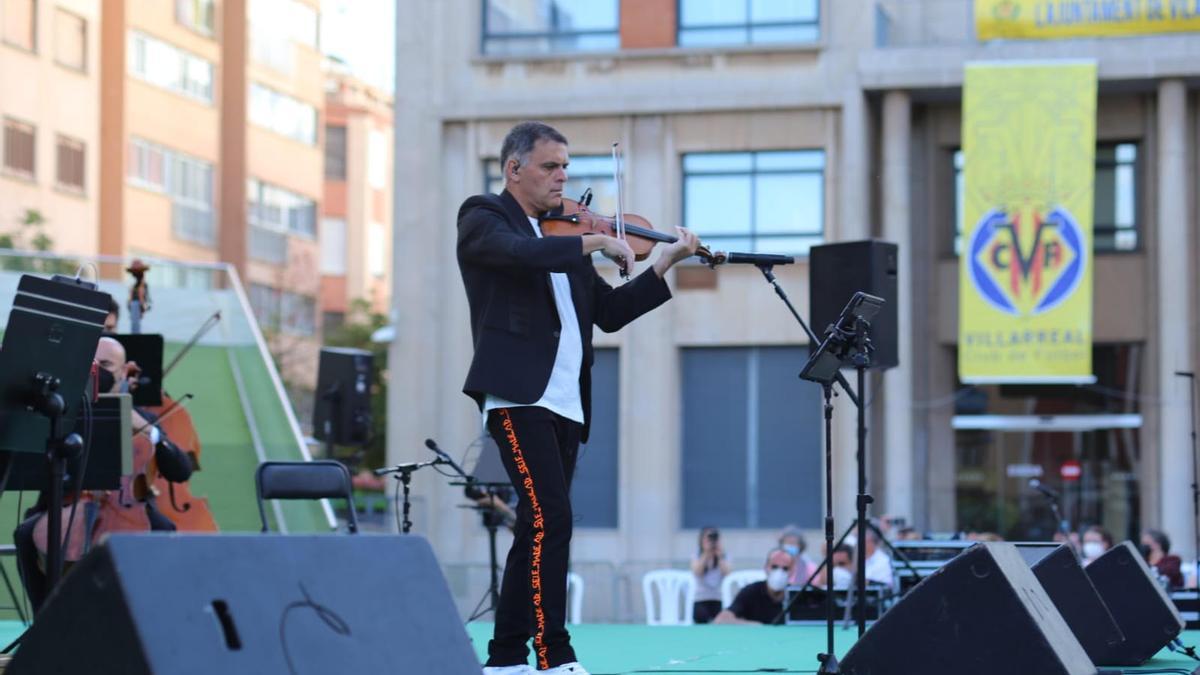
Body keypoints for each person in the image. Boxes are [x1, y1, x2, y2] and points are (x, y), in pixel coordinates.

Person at [458, 121, 700, 675]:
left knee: (536, 526)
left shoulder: (564, 242)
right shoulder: (483, 216)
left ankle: (503, 659)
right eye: (550, 166)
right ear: (514, 169)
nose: (562, 177)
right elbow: (516, 254)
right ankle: (553, 657)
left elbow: (609, 315)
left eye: (566, 166)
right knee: (552, 518)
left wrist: (663, 263)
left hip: (568, 403)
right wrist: (593, 240)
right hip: (518, 397)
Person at [13, 337, 194, 612]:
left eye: (106, 365)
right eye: (91, 364)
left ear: (124, 371)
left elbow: (180, 470)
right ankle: (45, 622)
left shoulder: (142, 416)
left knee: (164, 532)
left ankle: (147, 618)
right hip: (65, 506)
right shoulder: (59, 412)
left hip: (128, 509)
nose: (97, 371)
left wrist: (149, 431)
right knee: (26, 533)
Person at [714, 549, 794, 625]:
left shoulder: (797, 596)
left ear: (792, 571)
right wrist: (753, 625)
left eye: (785, 568)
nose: (779, 572)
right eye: (774, 567)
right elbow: (721, 619)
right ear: (766, 567)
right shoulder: (750, 592)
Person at [691, 526, 730, 624]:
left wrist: (720, 556)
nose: (712, 541)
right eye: (709, 538)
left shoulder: (723, 555)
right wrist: (706, 553)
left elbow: (727, 573)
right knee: (701, 616)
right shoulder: (697, 555)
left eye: (714, 538)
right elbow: (697, 572)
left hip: (718, 598)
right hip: (700, 599)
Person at [126, 258, 151, 333]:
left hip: (136, 305)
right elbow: (139, 296)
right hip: (136, 305)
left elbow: (141, 296)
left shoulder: (140, 285)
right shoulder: (136, 285)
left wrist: (142, 307)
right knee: (135, 325)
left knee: (135, 325)